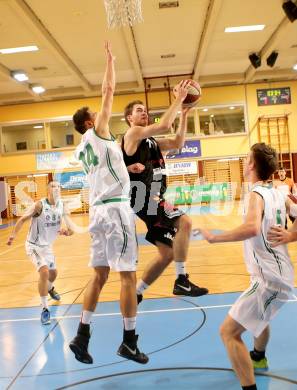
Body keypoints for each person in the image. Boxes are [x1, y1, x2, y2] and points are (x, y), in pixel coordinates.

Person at [69, 42, 148, 365]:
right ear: (90, 123)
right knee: (127, 275)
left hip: (98, 211)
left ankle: (81, 335)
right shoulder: (99, 131)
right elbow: (109, 90)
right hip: (115, 210)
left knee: (99, 275)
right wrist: (111, 62)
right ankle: (129, 341)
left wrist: (126, 170)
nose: (101, 112)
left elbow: (105, 170)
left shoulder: (83, 149)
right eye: (95, 113)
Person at [198, 143, 295, 390]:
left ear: (251, 164)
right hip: (273, 274)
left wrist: (214, 237)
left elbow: (251, 228)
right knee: (258, 317)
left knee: (228, 333)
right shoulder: (277, 192)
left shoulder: (256, 195)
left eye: (247, 158)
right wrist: (290, 235)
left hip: (270, 278)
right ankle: (258, 357)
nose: (245, 161)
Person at [122, 91, 208, 304]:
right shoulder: (133, 134)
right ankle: (181, 280)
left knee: (168, 253)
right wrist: (179, 99)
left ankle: (137, 292)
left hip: (152, 198)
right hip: (144, 198)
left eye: (145, 110)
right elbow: (165, 125)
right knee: (185, 222)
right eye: (138, 111)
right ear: (129, 119)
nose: (144, 113)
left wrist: (185, 115)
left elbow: (178, 143)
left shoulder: (151, 142)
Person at [7, 181, 73, 325]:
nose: (56, 188)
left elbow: (71, 230)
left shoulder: (63, 206)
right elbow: (23, 219)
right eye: (53, 186)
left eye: (58, 186)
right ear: (48, 190)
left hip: (47, 247)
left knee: (54, 274)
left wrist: (66, 232)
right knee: (44, 272)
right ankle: (44, 309)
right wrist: (13, 235)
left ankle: (49, 288)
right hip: (33, 246)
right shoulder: (39, 205)